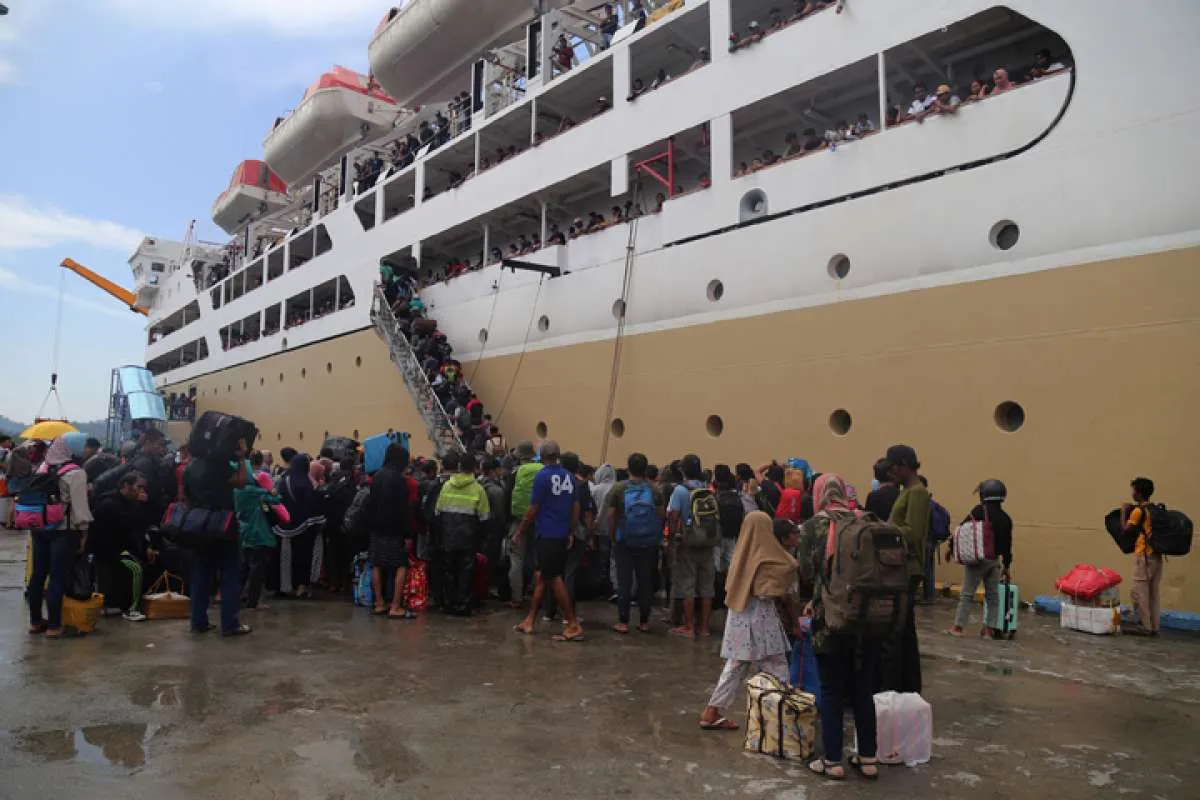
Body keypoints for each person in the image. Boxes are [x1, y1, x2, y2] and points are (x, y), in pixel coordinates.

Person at [803, 474, 881, 780]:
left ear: (819, 494)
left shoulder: (814, 526)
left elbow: (808, 573)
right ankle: (868, 757)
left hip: (832, 619)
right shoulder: (866, 520)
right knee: (863, 689)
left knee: (832, 690)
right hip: (869, 619)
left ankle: (832, 760)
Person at [698, 511, 798, 731]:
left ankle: (712, 710)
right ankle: (781, 716)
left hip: (738, 616)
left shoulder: (740, 554)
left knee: (736, 664)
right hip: (761, 618)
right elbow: (769, 590)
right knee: (777, 663)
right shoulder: (768, 557)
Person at [513, 441, 584, 641]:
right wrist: (570, 531)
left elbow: (533, 508)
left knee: (553, 577)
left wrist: (520, 531)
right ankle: (530, 619)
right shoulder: (570, 477)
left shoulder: (542, 476)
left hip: (547, 533)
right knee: (543, 577)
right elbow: (576, 508)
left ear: (542, 457)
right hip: (561, 533)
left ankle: (572, 623)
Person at [26, 434, 93, 638]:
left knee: (38, 576)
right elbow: (80, 509)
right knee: (57, 577)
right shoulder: (76, 473)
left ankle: (36, 622)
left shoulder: (43, 467)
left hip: (39, 528)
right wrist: (84, 533)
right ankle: (54, 626)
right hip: (64, 531)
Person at [182, 437, 251, 636]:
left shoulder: (190, 468)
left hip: (199, 525)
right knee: (230, 575)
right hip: (223, 524)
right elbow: (242, 481)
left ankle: (198, 621)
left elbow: (185, 497)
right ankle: (230, 624)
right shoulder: (219, 466)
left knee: (201, 574)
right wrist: (241, 459)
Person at [882, 445, 928, 693]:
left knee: (898, 630)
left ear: (904, 465)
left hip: (907, 568)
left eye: (894, 468)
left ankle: (901, 686)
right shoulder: (907, 491)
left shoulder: (917, 493)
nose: (892, 473)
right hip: (899, 567)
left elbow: (913, 532)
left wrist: (883, 530)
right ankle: (907, 686)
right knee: (903, 630)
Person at [607, 452, 664, 633]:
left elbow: (610, 516)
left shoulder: (619, 488)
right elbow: (662, 515)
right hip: (648, 542)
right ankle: (644, 621)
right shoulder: (654, 490)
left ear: (628, 467)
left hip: (625, 540)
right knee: (644, 581)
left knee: (624, 580)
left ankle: (623, 622)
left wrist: (613, 536)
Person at [947, 479, 1011, 638]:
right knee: (993, 596)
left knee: (967, 594)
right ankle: (989, 630)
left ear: (984, 495)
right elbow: (1007, 546)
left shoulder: (978, 511)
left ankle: (958, 628)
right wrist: (1007, 566)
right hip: (994, 561)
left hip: (977, 560)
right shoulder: (1006, 518)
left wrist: (951, 548)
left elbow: (961, 530)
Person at [90, 471, 152, 621]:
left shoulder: (124, 502)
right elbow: (127, 528)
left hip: (119, 548)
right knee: (136, 569)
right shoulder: (111, 505)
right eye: (139, 487)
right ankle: (131, 609)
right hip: (111, 551)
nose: (142, 491)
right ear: (126, 486)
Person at [434, 450, 490, 616]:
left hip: (448, 537)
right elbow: (485, 517)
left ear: (459, 466)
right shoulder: (478, 489)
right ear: (474, 468)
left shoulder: (446, 486)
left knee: (449, 571)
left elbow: (437, 512)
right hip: (468, 538)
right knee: (466, 572)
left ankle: (450, 604)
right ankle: (463, 605)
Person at [668, 454, 718, 638]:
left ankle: (689, 626)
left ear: (682, 470)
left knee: (688, 584)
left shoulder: (680, 491)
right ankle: (705, 628)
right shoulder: (708, 490)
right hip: (708, 542)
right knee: (706, 587)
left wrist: (672, 539)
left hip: (688, 543)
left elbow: (673, 515)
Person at [543, 451, 593, 620]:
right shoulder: (581, 485)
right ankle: (568, 614)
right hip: (575, 533)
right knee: (570, 574)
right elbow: (586, 514)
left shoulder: (553, 480)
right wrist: (589, 534)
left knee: (553, 572)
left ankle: (549, 611)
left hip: (554, 531)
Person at [368, 443, 414, 618]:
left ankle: (379, 603)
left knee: (377, 564)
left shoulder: (377, 476)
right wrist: (408, 533)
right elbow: (403, 509)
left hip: (377, 528)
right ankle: (395, 606)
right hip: (395, 530)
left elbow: (371, 504)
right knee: (400, 564)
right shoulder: (399, 480)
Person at [234, 459, 287, 612]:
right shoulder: (254, 492)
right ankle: (253, 602)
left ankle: (236, 597)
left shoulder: (236, 490)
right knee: (257, 570)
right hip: (258, 533)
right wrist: (269, 488)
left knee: (243, 569)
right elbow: (276, 498)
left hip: (243, 532)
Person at [276, 453, 325, 599]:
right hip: (304, 528)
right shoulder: (304, 483)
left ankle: (285, 586)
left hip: (285, 526)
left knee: (287, 558)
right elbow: (311, 506)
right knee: (303, 558)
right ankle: (301, 586)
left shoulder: (284, 480)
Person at [1121, 477, 1162, 636]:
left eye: (1133, 490)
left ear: (1138, 493)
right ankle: (1154, 626)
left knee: (1139, 591)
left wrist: (1124, 511)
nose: (1132, 493)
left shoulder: (1139, 511)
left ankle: (1145, 626)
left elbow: (1126, 530)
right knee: (1153, 592)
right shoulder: (1154, 509)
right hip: (1157, 556)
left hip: (1144, 556)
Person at [506, 441, 543, 607]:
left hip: (518, 519)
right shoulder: (543, 471)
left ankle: (516, 597)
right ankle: (537, 595)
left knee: (516, 557)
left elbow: (508, 497)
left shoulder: (515, 473)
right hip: (539, 519)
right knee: (537, 558)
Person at [479, 456, 510, 599]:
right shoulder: (496, 490)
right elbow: (500, 513)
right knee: (494, 558)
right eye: (499, 468)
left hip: (480, 527)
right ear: (493, 470)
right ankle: (491, 587)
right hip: (494, 528)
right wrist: (505, 526)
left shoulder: (477, 484)